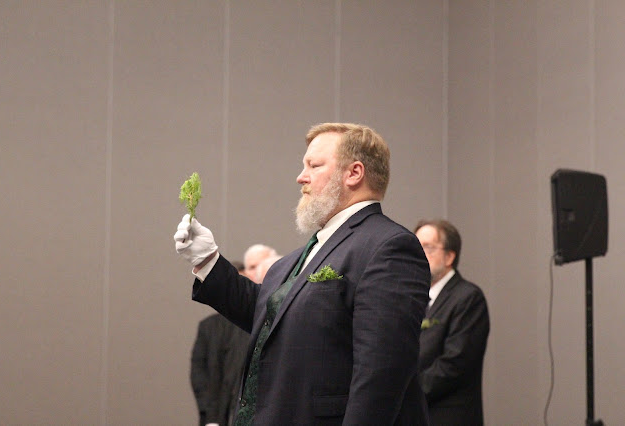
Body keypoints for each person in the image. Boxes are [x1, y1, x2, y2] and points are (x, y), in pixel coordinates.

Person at [175, 122, 431, 425]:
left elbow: (381, 374)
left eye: (314, 165)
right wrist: (208, 261)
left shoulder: (388, 246)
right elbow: (269, 315)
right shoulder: (298, 258)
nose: (301, 177)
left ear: (354, 173)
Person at [414, 219, 490, 426]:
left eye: (428, 248)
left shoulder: (468, 298)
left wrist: (406, 393)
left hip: (448, 416)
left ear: (449, 256)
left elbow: (454, 364)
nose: (419, 255)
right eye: (416, 247)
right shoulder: (414, 298)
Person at [190, 244, 276, 426]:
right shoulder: (211, 326)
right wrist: (211, 417)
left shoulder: (270, 319)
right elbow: (200, 373)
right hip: (222, 413)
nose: (253, 274)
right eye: (250, 268)